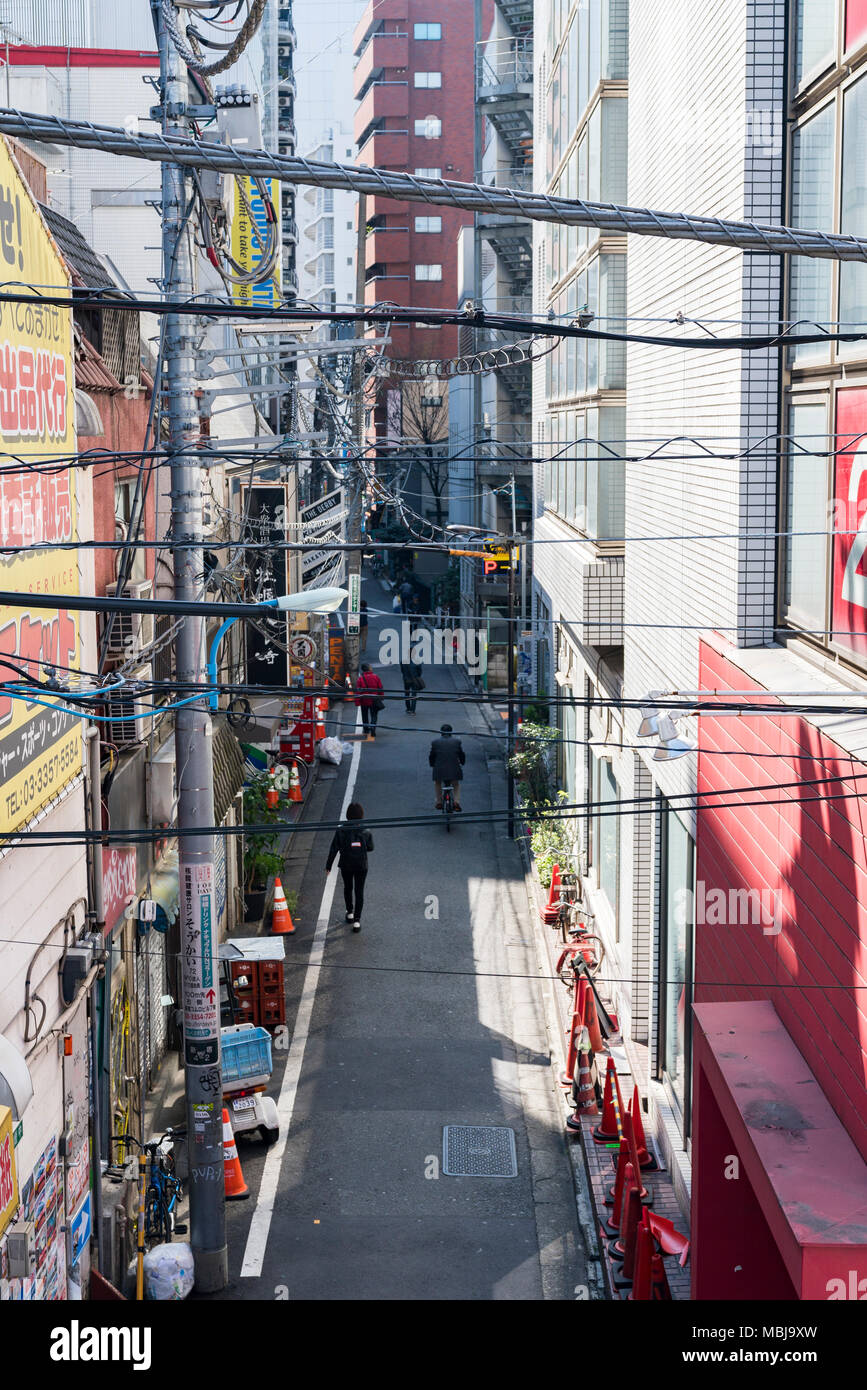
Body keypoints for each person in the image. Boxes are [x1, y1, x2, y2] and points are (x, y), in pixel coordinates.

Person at [325, 801, 373, 932]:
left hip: (346, 864)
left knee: (348, 887)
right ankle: (357, 921)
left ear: (347, 815)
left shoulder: (341, 829)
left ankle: (350, 912)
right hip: (361, 865)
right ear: (361, 815)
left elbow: (334, 848)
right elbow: (370, 847)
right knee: (359, 891)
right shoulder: (366, 830)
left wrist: (328, 865)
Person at [429, 723, 465, 810]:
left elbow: (431, 756)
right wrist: (462, 763)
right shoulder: (457, 742)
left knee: (437, 783)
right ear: (451, 732)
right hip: (454, 768)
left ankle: (439, 802)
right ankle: (456, 802)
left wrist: (432, 764)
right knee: (455, 784)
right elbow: (461, 755)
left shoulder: (435, 742)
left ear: (441, 733)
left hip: (439, 769)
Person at [355, 662, 384, 739]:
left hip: (364, 700)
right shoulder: (375, 677)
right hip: (374, 699)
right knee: (374, 715)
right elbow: (380, 688)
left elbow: (358, 691)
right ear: (369, 668)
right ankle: (373, 728)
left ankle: (366, 729)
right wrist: (381, 696)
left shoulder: (360, 679)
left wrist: (357, 701)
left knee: (364, 715)